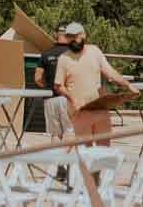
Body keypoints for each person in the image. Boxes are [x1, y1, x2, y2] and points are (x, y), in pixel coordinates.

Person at [54, 22, 133, 143]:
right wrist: (72, 99)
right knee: (85, 150)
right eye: (69, 36)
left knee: (104, 149)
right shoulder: (63, 59)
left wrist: (128, 85)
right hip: (79, 111)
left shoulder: (95, 51)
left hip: (99, 108)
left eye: (75, 36)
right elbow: (58, 86)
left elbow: (110, 72)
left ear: (83, 35)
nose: (72, 40)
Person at [35, 25, 73, 157]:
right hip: (68, 97)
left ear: (55, 35)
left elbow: (37, 78)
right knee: (69, 131)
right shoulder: (74, 54)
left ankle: (57, 163)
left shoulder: (45, 54)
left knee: (55, 134)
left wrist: (48, 86)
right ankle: (63, 162)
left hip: (50, 98)